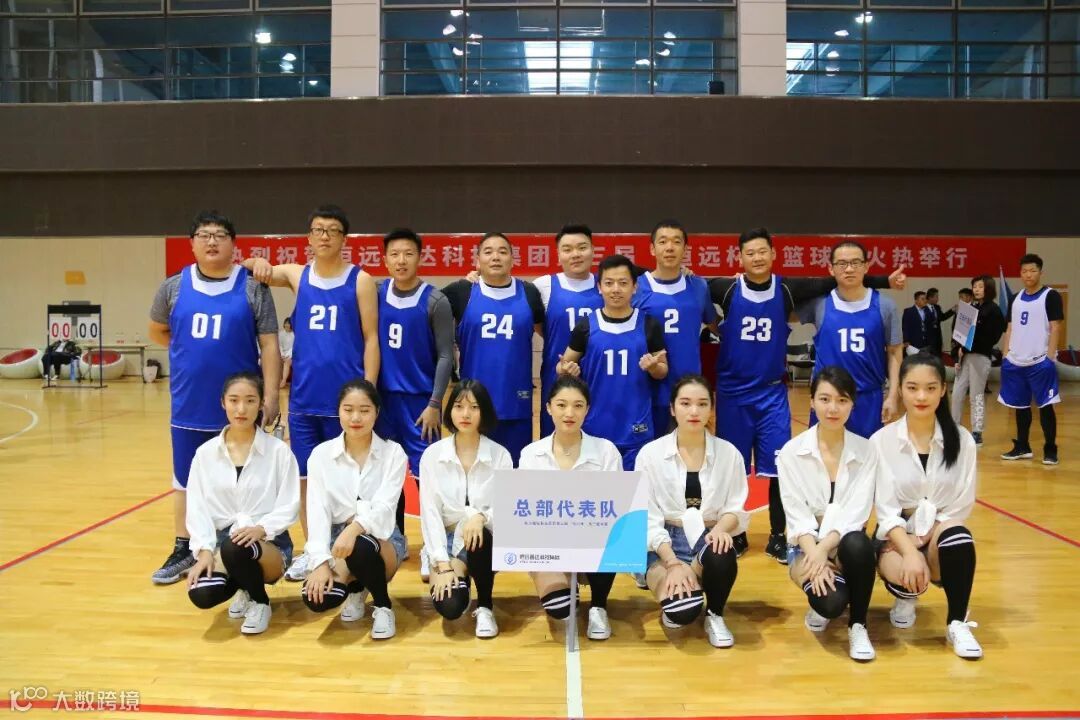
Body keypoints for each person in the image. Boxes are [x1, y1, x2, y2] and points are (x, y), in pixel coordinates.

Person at [708, 228, 903, 563]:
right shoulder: (725, 288)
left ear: (774, 254)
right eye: (750, 252)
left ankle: (793, 535)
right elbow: (690, 290)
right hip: (731, 392)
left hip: (785, 392)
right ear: (739, 258)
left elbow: (834, 281)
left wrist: (883, 281)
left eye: (762, 251)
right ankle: (735, 533)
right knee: (734, 467)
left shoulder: (787, 290)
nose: (757, 257)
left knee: (798, 467)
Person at [245, 204, 380, 583]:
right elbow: (256, 269)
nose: (325, 236)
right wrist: (257, 261)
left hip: (346, 402)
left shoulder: (360, 280)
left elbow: (371, 338)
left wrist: (368, 391)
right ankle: (312, 550)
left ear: (344, 238)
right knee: (305, 478)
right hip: (304, 399)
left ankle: (347, 552)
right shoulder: (297, 275)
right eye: (318, 230)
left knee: (349, 481)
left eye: (333, 230)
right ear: (308, 237)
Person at [148, 210, 281, 585]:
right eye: (204, 235)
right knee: (184, 479)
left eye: (220, 235)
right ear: (191, 244)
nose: (211, 241)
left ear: (233, 244)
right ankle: (184, 547)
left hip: (241, 407)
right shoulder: (173, 287)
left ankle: (255, 546)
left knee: (249, 477)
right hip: (190, 402)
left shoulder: (253, 287)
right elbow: (158, 331)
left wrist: (271, 396)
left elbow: (270, 345)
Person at [871, 352, 982, 659]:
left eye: (931, 388)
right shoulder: (880, 442)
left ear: (943, 390)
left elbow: (961, 503)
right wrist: (909, 549)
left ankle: (957, 622)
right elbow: (885, 511)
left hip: (937, 533)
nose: (921, 396)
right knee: (906, 572)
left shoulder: (963, 441)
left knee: (959, 535)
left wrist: (923, 539)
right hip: (896, 536)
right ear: (900, 390)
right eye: (912, 388)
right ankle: (906, 596)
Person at [637, 375, 748, 648]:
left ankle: (715, 614)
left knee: (721, 549)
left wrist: (720, 530)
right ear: (672, 408)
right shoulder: (650, 455)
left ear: (711, 408)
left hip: (707, 537)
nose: (694, 411)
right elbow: (647, 519)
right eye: (685, 403)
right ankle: (675, 588)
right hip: (664, 541)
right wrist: (673, 562)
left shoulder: (729, 453)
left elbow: (735, 507)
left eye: (702, 404)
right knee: (682, 612)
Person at [777, 366, 878, 662]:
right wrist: (815, 552)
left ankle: (858, 624)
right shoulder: (791, 452)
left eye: (842, 400)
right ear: (811, 402)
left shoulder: (867, 451)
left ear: (852, 404)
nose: (833, 408)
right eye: (824, 399)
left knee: (858, 543)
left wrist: (825, 550)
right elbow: (796, 514)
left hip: (845, 543)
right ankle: (825, 601)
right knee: (831, 603)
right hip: (805, 545)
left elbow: (857, 513)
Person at [185, 372, 298, 635]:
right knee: (202, 593)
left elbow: (290, 504)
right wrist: (204, 550)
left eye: (250, 401)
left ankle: (260, 601)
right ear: (223, 402)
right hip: (224, 542)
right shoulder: (205, 454)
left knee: (237, 546)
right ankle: (244, 586)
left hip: (268, 543)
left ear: (261, 404)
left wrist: (262, 529)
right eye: (234, 400)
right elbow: (197, 507)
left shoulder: (278, 452)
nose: (241, 409)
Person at [300, 379, 408, 640]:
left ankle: (383, 605)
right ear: (338, 411)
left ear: (376, 412)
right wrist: (319, 562)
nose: (356, 417)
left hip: (383, 537)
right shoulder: (321, 455)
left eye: (364, 410)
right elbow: (317, 511)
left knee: (361, 545)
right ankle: (357, 587)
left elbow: (385, 508)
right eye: (348, 410)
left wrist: (354, 528)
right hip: (336, 540)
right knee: (317, 598)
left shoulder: (394, 453)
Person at [375, 228, 455, 581]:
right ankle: (394, 540)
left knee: (427, 479)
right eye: (394, 254)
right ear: (385, 259)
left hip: (421, 405)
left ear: (420, 257)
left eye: (408, 253)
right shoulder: (376, 294)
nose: (401, 260)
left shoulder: (435, 300)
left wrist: (435, 402)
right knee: (386, 478)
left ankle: (432, 547)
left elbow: (445, 355)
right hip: (383, 403)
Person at [518, 376, 624, 640]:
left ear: (587, 409)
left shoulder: (606, 451)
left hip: (592, 540)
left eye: (578, 406)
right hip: (548, 542)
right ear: (548, 408)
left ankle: (599, 605)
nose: (569, 413)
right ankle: (564, 583)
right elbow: (524, 510)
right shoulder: (531, 454)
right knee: (560, 607)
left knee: (611, 536)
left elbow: (617, 507)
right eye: (561, 405)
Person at [419, 380, 511, 638]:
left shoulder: (500, 455)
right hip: (448, 539)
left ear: (485, 412)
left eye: (474, 407)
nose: (466, 414)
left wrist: (481, 516)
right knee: (450, 605)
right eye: (459, 406)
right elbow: (430, 513)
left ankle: (485, 606)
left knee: (481, 535)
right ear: (450, 411)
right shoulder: (433, 455)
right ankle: (456, 571)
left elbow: (506, 508)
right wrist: (441, 562)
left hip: (486, 539)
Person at [557, 254, 668, 470]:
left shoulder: (649, 324)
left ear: (634, 287)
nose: (616, 289)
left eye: (623, 283)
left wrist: (654, 367)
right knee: (596, 488)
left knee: (634, 489)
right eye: (609, 283)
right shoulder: (586, 325)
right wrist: (566, 369)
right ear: (599, 287)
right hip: (594, 427)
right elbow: (562, 366)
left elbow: (663, 370)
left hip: (636, 427)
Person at [442, 233, 544, 464]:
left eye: (502, 251)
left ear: (513, 259)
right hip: (471, 406)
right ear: (477, 260)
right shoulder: (461, 291)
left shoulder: (528, 293)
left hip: (516, 402)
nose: (495, 257)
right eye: (488, 252)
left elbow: (547, 331)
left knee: (514, 473)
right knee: (474, 470)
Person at [800, 241, 904, 440]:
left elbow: (894, 352)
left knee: (867, 457)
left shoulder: (885, 305)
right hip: (828, 399)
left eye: (856, 263)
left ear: (866, 266)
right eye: (842, 263)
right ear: (831, 269)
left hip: (868, 399)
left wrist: (892, 396)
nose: (849, 269)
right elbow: (778, 309)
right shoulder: (818, 304)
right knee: (823, 455)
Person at [633, 220, 718, 437]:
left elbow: (714, 324)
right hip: (646, 390)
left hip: (688, 391)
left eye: (676, 242)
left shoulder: (698, 286)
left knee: (687, 451)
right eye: (663, 242)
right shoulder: (637, 287)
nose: (669, 247)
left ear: (685, 249)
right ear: (652, 248)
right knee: (649, 453)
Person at [534, 225, 606, 438]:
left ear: (593, 251)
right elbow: (540, 327)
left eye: (582, 247)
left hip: (600, 379)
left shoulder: (607, 284)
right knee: (556, 442)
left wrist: (684, 272)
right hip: (557, 379)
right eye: (567, 249)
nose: (575, 254)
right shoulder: (543, 286)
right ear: (558, 255)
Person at [999, 253, 1063, 465]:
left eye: (1033, 270)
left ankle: (1050, 449)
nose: (1028, 274)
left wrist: (1049, 358)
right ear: (1020, 273)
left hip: (1040, 361)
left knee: (1046, 406)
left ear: (1040, 272)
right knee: (1020, 407)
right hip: (1016, 361)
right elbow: (1009, 328)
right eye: (1024, 271)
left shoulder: (1050, 296)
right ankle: (1022, 446)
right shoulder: (1015, 298)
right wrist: (1006, 355)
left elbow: (1055, 327)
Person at [950, 276, 1006, 447]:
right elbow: (959, 333)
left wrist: (967, 347)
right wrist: (957, 352)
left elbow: (991, 337)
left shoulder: (993, 310)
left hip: (980, 357)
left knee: (976, 396)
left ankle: (977, 431)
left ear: (988, 288)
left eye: (980, 286)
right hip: (964, 357)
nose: (976, 289)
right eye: (974, 286)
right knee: (957, 393)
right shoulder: (971, 308)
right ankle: (954, 428)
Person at [925, 288, 954, 358]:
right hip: (927, 340)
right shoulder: (923, 308)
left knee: (938, 359)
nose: (938, 299)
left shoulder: (937, 307)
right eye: (936, 297)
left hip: (937, 339)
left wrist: (952, 310)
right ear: (930, 297)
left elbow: (942, 317)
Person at [950, 288, 975, 361]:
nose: (960, 299)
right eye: (959, 297)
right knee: (957, 362)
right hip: (957, 342)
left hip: (968, 344)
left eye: (961, 297)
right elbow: (954, 325)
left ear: (968, 297)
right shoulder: (959, 308)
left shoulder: (974, 309)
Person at [278, 318, 294, 388]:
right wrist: (282, 355)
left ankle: (284, 381)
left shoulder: (295, 334)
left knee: (287, 362)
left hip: (292, 355)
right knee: (277, 361)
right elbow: (280, 345)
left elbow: (293, 347)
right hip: (282, 354)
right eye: (286, 323)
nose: (287, 325)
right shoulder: (281, 334)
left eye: (289, 323)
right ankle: (278, 380)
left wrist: (288, 355)